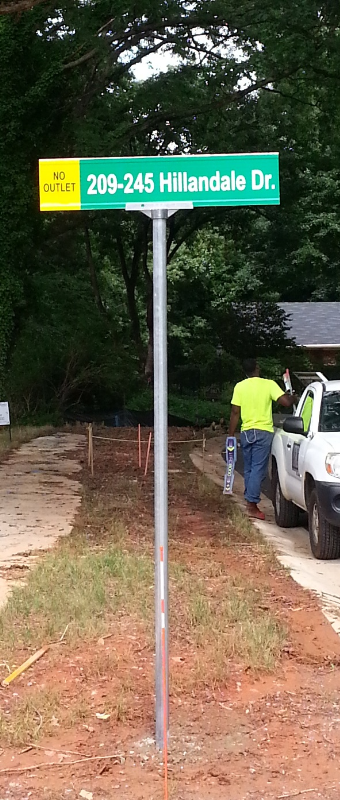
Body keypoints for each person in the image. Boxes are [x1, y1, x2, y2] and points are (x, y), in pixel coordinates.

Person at [228, 358, 296, 520]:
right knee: (258, 468)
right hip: (263, 431)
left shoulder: (239, 386)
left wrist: (231, 433)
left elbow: (235, 412)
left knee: (250, 468)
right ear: (257, 368)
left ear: (245, 371)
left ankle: (249, 499)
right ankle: (252, 504)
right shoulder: (268, 384)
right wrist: (293, 397)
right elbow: (285, 402)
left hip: (246, 432)